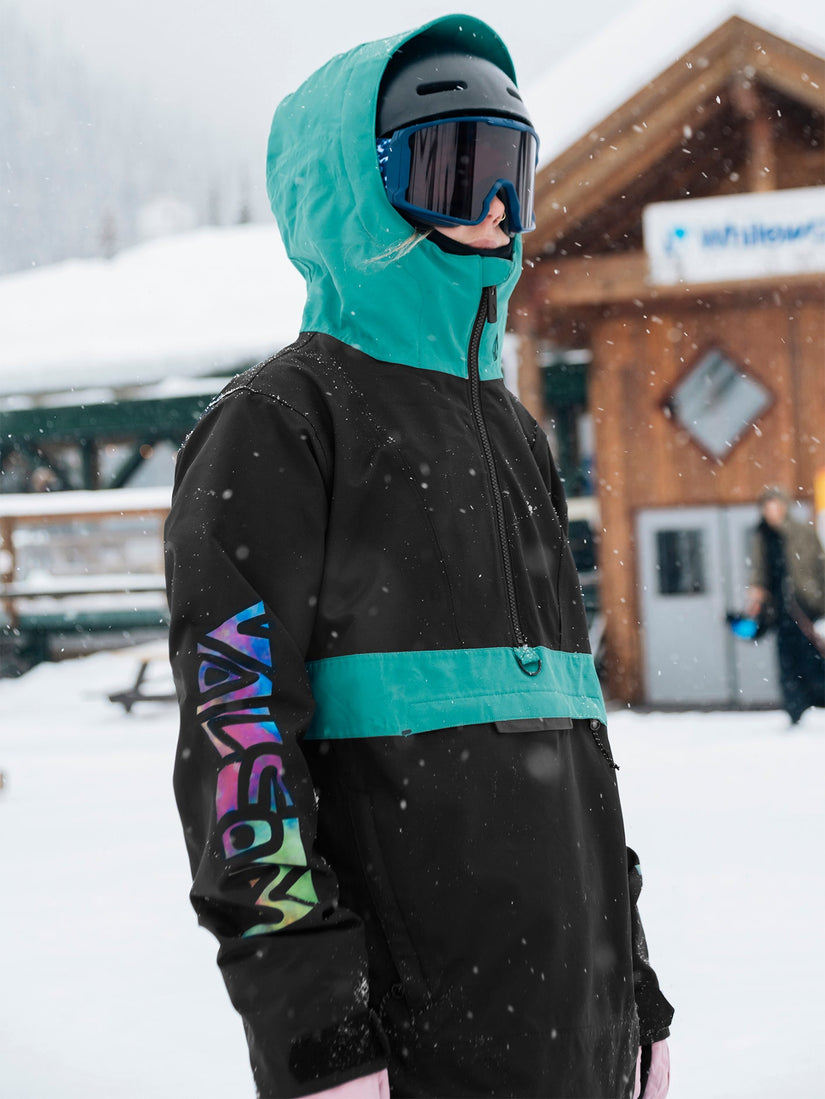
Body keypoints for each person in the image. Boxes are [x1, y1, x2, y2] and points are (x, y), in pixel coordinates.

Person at [165, 15, 673, 1098]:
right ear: (361, 188)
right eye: (455, 169)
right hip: (411, 1049)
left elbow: (573, 749)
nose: (495, 211)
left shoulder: (514, 434)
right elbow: (240, 747)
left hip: (575, 1041)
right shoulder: (281, 424)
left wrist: (634, 989)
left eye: (512, 173)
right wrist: (317, 1031)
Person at [746, 486, 825, 726]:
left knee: (813, 657)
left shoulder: (803, 532)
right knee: (787, 662)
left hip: (807, 605)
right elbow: (759, 570)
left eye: (776, 507)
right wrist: (757, 595)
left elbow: (819, 567)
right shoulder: (762, 536)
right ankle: (795, 710)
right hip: (779, 609)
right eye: (767, 508)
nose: (772, 513)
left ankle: (817, 705)